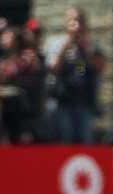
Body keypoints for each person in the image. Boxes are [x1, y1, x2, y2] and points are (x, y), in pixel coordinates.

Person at [45, 7, 105, 144]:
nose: (75, 25)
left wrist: (86, 49)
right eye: (72, 21)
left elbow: (101, 68)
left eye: (78, 21)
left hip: (85, 102)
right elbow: (52, 69)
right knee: (66, 139)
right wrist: (63, 50)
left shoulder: (91, 46)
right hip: (63, 101)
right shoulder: (57, 44)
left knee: (85, 140)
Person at [0, 26, 44, 143]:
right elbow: (0, 78)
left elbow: (33, 70)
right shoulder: (3, 60)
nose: (4, 39)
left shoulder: (27, 56)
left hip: (24, 107)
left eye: (8, 37)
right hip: (6, 108)